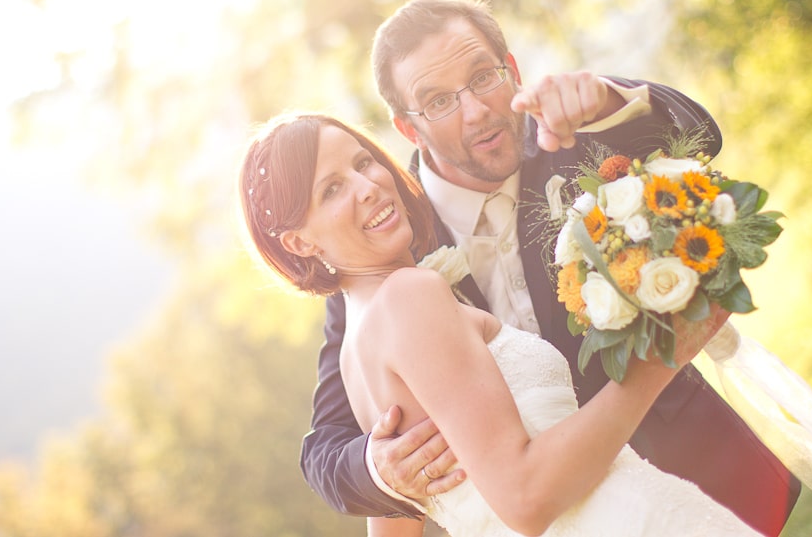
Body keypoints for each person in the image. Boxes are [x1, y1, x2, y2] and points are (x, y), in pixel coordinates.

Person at [300, 0, 801, 536]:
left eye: (484, 77)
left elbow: (702, 138)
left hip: (697, 474)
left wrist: (611, 99)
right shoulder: (380, 242)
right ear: (408, 129)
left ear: (511, 70)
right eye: (439, 102)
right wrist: (381, 469)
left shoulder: (579, 137)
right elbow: (325, 449)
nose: (475, 110)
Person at [239, 112, 766, 536]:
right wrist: (661, 360)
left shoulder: (360, 348)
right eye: (332, 189)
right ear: (300, 243)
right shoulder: (409, 297)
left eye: (363, 162)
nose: (369, 186)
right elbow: (526, 499)